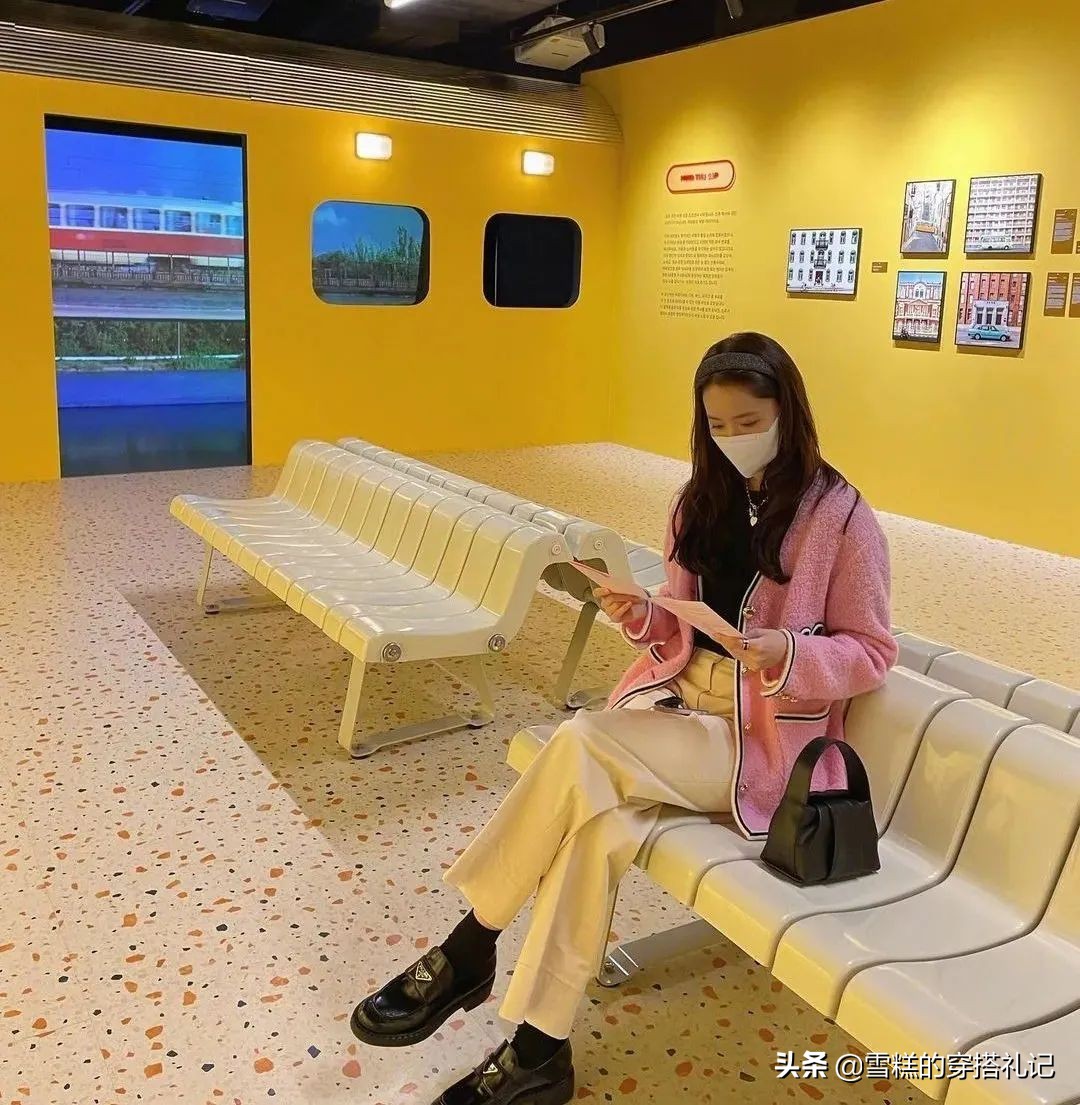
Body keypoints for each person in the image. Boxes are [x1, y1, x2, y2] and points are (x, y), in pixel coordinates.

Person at [349, 331, 897, 1105]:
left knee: (582, 738)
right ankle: (541, 1051)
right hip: (677, 708)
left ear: (788, 412)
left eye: (749, 421)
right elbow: (678, 625)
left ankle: (470, 943)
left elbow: (871, 651)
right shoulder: (697, 500)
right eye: (718, 424)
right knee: (596, 828)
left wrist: (787, 651)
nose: (733, 438)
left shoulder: (841, 518)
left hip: (759, 741)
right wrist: (639, 612)